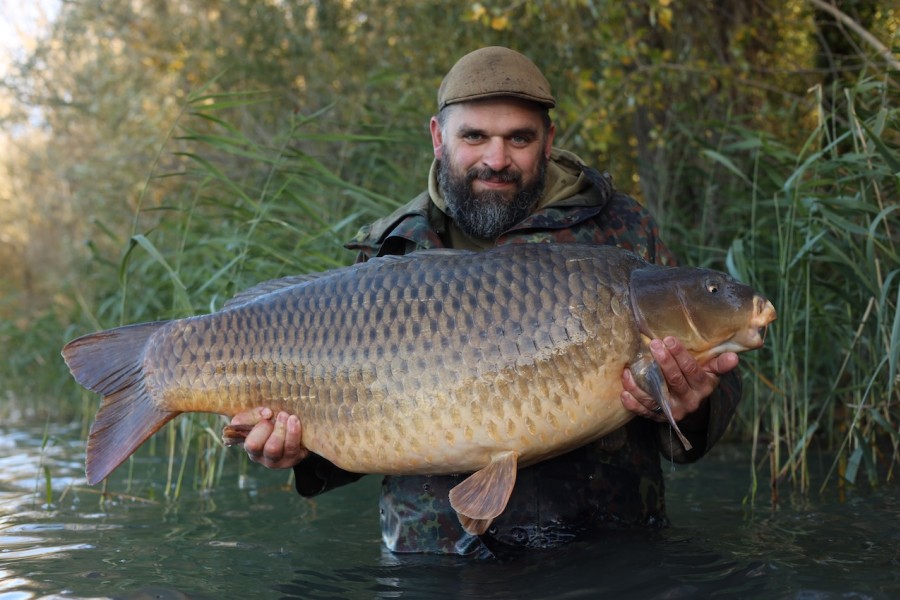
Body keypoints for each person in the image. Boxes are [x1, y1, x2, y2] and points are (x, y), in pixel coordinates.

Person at [230, 46, 742, 559]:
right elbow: (362, 424)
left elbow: (712, 402)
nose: (496, 160)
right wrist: (297, 451)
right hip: (431, 562)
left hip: (606, 555)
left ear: (547, 142)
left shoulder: (622, 233)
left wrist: (690, 406)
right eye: (474, 136)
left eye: (519, 138)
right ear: (438, 136)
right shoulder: (394, 249)